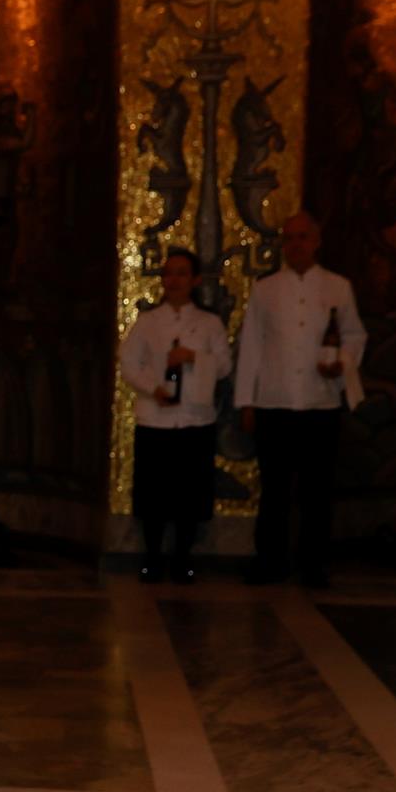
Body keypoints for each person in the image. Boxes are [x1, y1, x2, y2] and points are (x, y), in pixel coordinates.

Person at [236, 211, 366, 587]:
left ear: (316, 242)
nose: (296, 244)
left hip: (320, 403)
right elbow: (251, 347)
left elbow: (354, 335)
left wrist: (342, 363)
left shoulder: (338, 287)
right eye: (289, 238)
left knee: (316, 491)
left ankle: (314, 563)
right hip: (273, 401)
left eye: (303, 237)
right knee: (274, 489)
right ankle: (269, 560)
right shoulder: (265, 289)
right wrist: (247, 401)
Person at [119, 247, 232, 583]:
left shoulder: (209, 323)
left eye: (182, 274)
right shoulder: (148, 322)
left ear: (195, 280)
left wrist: (193, 357)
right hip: (156, 418)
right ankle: (153, 556)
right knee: (154, 492)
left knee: (190, 494)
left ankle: (182, 557)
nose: (174, 280)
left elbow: (224, 365)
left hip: (195, 419)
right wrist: (152, 388)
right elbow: (129, 363)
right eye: (169, 273)